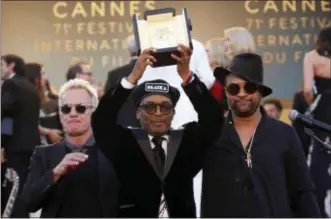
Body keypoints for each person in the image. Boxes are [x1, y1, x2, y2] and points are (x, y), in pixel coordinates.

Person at [91, 45, 223, 217]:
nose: (159, 113)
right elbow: (102, 120)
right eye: (150, 107)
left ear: (174, 113)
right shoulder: (126, 142)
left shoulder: (186, 142)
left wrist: (188, 78)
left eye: (166, 107)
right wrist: (132, 78)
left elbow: (212, 119)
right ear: (138, 113)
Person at [201, 53, 320, 217]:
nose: (242, 94)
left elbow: (303, 192)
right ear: (226, 92)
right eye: (234, 88)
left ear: (260, 92)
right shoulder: (211, 134)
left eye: (249, 87)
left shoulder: (284, 134)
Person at [22, 79, 119, 218]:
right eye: (66, 109)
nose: (73, 114)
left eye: (80, 108)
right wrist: (56, 173)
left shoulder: (113, 152)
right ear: (60, 115)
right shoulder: (43, 154)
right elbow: (29, 202)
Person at [138, 39, 215, 129]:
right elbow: (209, 79)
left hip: (156, 112)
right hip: (187, 110)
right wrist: (191, 90)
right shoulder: (194, 45)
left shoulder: (147, 46)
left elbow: (142, 84)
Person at [1, 54, 40, 218]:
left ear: (11, 66)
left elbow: (4, 112)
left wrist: (2, 143)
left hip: (15, 146)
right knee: (22, 188)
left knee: (13, 190)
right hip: (30, 145)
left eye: (1, 64)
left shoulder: (10, 83)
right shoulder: (30, 86)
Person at [302, 27, 331, 217]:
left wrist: (312, 104)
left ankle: (318, 212)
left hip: (322, 108)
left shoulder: (311, 56)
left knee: (319, 156)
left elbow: (307, 89)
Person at [104, 34, 140, 127]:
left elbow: (107, 106)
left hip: (123, 131)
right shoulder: (154, 73)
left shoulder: (114, 75)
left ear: (129, 50)